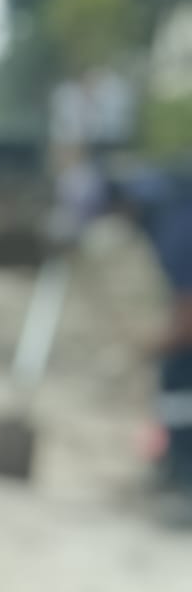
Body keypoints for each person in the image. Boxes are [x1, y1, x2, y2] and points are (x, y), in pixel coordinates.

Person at [106, 166, 192, 522]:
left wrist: (158, 343)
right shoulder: (172, 218)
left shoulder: (177, 227)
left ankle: (185, 480)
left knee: (180, 380)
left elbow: (188, 311)